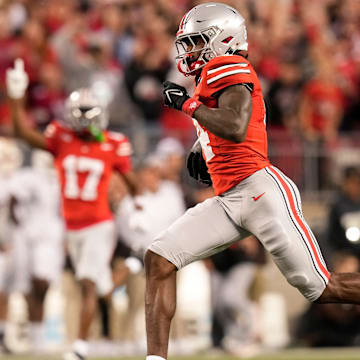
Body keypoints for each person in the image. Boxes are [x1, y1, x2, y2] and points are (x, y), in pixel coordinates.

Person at [143, 3, 360, 360]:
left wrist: (187, 107)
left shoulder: (227, 65)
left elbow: (236, 124)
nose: (191, 50)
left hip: (260, 191)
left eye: (197, 41)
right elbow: (241, 122)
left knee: (322, 288)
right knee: (160, 258)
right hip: (230, 198)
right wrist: (204, 147)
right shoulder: (214, 73)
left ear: (221, 40)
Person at [6, 59, 140, 360]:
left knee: (88, 284)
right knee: (102, 289)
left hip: (97, 224)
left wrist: (138, 210)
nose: (81, 120)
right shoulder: (61, 138)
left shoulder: (111, 143)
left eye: (86, 114)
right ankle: (132, 266)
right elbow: (22, 133)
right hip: (72, 226)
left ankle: (79, 348)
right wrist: (16, 97)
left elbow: (132, 181)